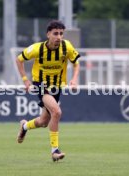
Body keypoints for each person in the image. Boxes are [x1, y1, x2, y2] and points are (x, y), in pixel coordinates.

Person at [16, 20, 80, 162]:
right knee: (56, 112)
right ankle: (54, 151)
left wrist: (74, 79)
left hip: (56, 87)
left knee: (44, 121)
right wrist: (26, 80)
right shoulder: (37, 49)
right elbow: (19, 59)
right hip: (41, 84)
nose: (59, 37)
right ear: (48, 34)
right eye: (55, 33)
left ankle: (25, 126)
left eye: (61, 34)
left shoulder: (66, 47)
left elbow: (76, 63)